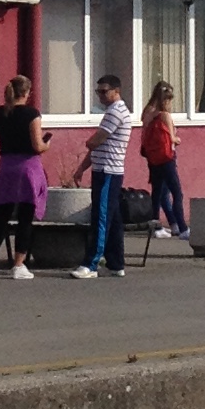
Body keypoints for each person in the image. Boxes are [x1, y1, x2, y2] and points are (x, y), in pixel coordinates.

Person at [0, 75, 51, 278]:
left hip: (6, 166)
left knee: (1, 215)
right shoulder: (32, 114)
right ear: (27, 93)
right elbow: (37, 145)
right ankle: (18, 264)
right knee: (25, 217)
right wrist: (47, 144)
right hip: (28, 167)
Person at [68, 72, 134, 277]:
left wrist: (90, 142)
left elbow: (96, 141)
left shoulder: (116, 112)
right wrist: (82, 168)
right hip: (103, 169)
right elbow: (97, 146)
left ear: (116, 91)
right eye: (98, 92)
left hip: (108, 171)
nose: (100, 96)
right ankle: (116, 263)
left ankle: (91, 264)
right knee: (113, 219)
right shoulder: (112, 111)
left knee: (101, 217)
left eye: (104, 92)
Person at [139, 81, 189, 239]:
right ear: (165, 100)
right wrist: (177, 139)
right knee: (177, 193)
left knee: (158, 192)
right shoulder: (164, 115)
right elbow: (173, 139)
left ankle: (158, 226)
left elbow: (144, 132)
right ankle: (182, 228)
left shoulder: (147, 112)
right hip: (167, 158)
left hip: (153, 158)